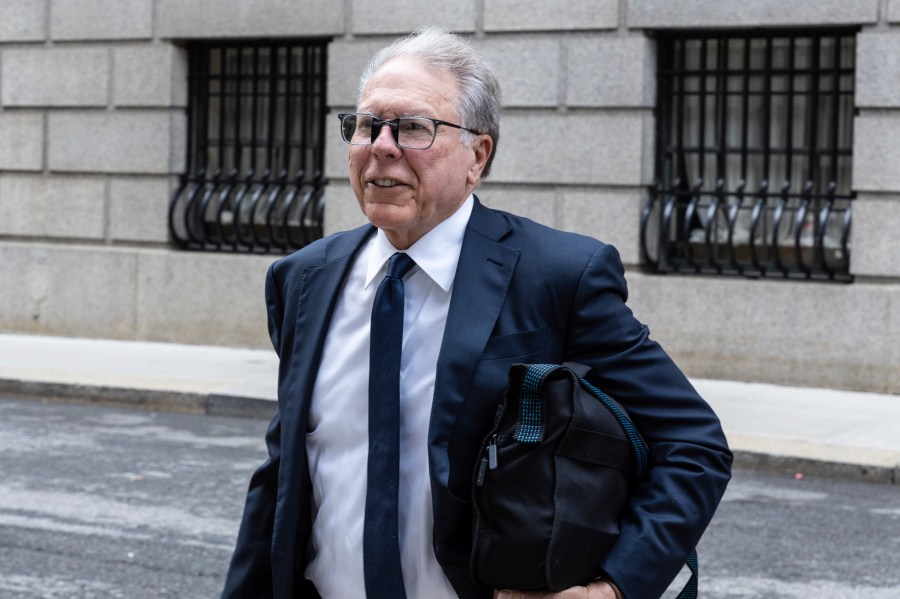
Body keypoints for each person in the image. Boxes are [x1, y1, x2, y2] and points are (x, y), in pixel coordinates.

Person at [222, 27, 732, 599]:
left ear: (477, 156)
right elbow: (285, 472)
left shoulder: (559, 275)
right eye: (367, 125)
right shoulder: (303, 279)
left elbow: (693, 443)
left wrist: (613, 588)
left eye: (413, 127)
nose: (382, 146)